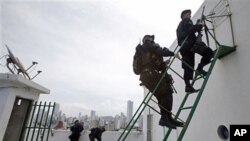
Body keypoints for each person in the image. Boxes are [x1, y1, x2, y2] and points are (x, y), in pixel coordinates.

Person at [138, 35, 183, 129]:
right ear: (149, 40)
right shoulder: (150, 46)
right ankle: (165, 118)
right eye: (152, 39)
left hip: (145, 78)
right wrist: (172, 53)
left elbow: (149, 64)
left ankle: (168, 118)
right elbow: (161, 51)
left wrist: (163, 63)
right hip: (151, 75)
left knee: (161, 96)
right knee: (167, 91)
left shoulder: (141, 51)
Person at [176, 9, 213, 93]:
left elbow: (187, 31)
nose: (190, 16)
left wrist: (196, 25)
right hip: (191, 44)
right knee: (208, 52)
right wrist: (198, 26)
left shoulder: (179, 27)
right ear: (184, 15)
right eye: (189, 14)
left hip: (184, 48)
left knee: (188, 67)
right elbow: (190, 30)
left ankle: (188, 86)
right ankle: (200, 68)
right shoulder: (186, 21)